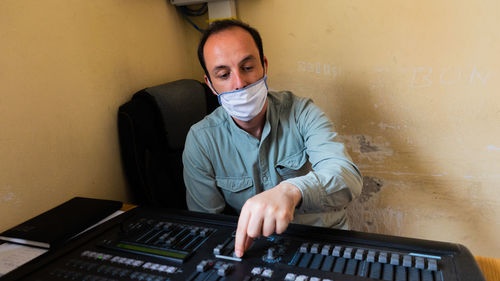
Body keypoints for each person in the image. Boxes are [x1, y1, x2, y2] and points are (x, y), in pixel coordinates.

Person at [182, 19, 363, 258]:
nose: (239, 84)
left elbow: (347, 177)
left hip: (323, 243)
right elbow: (206, 226)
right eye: (224, 74)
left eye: (247, 68)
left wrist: (291, 191)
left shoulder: (302, 112)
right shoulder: (201, 140)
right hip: (256, 251)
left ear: (264, 66)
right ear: (210, 84)